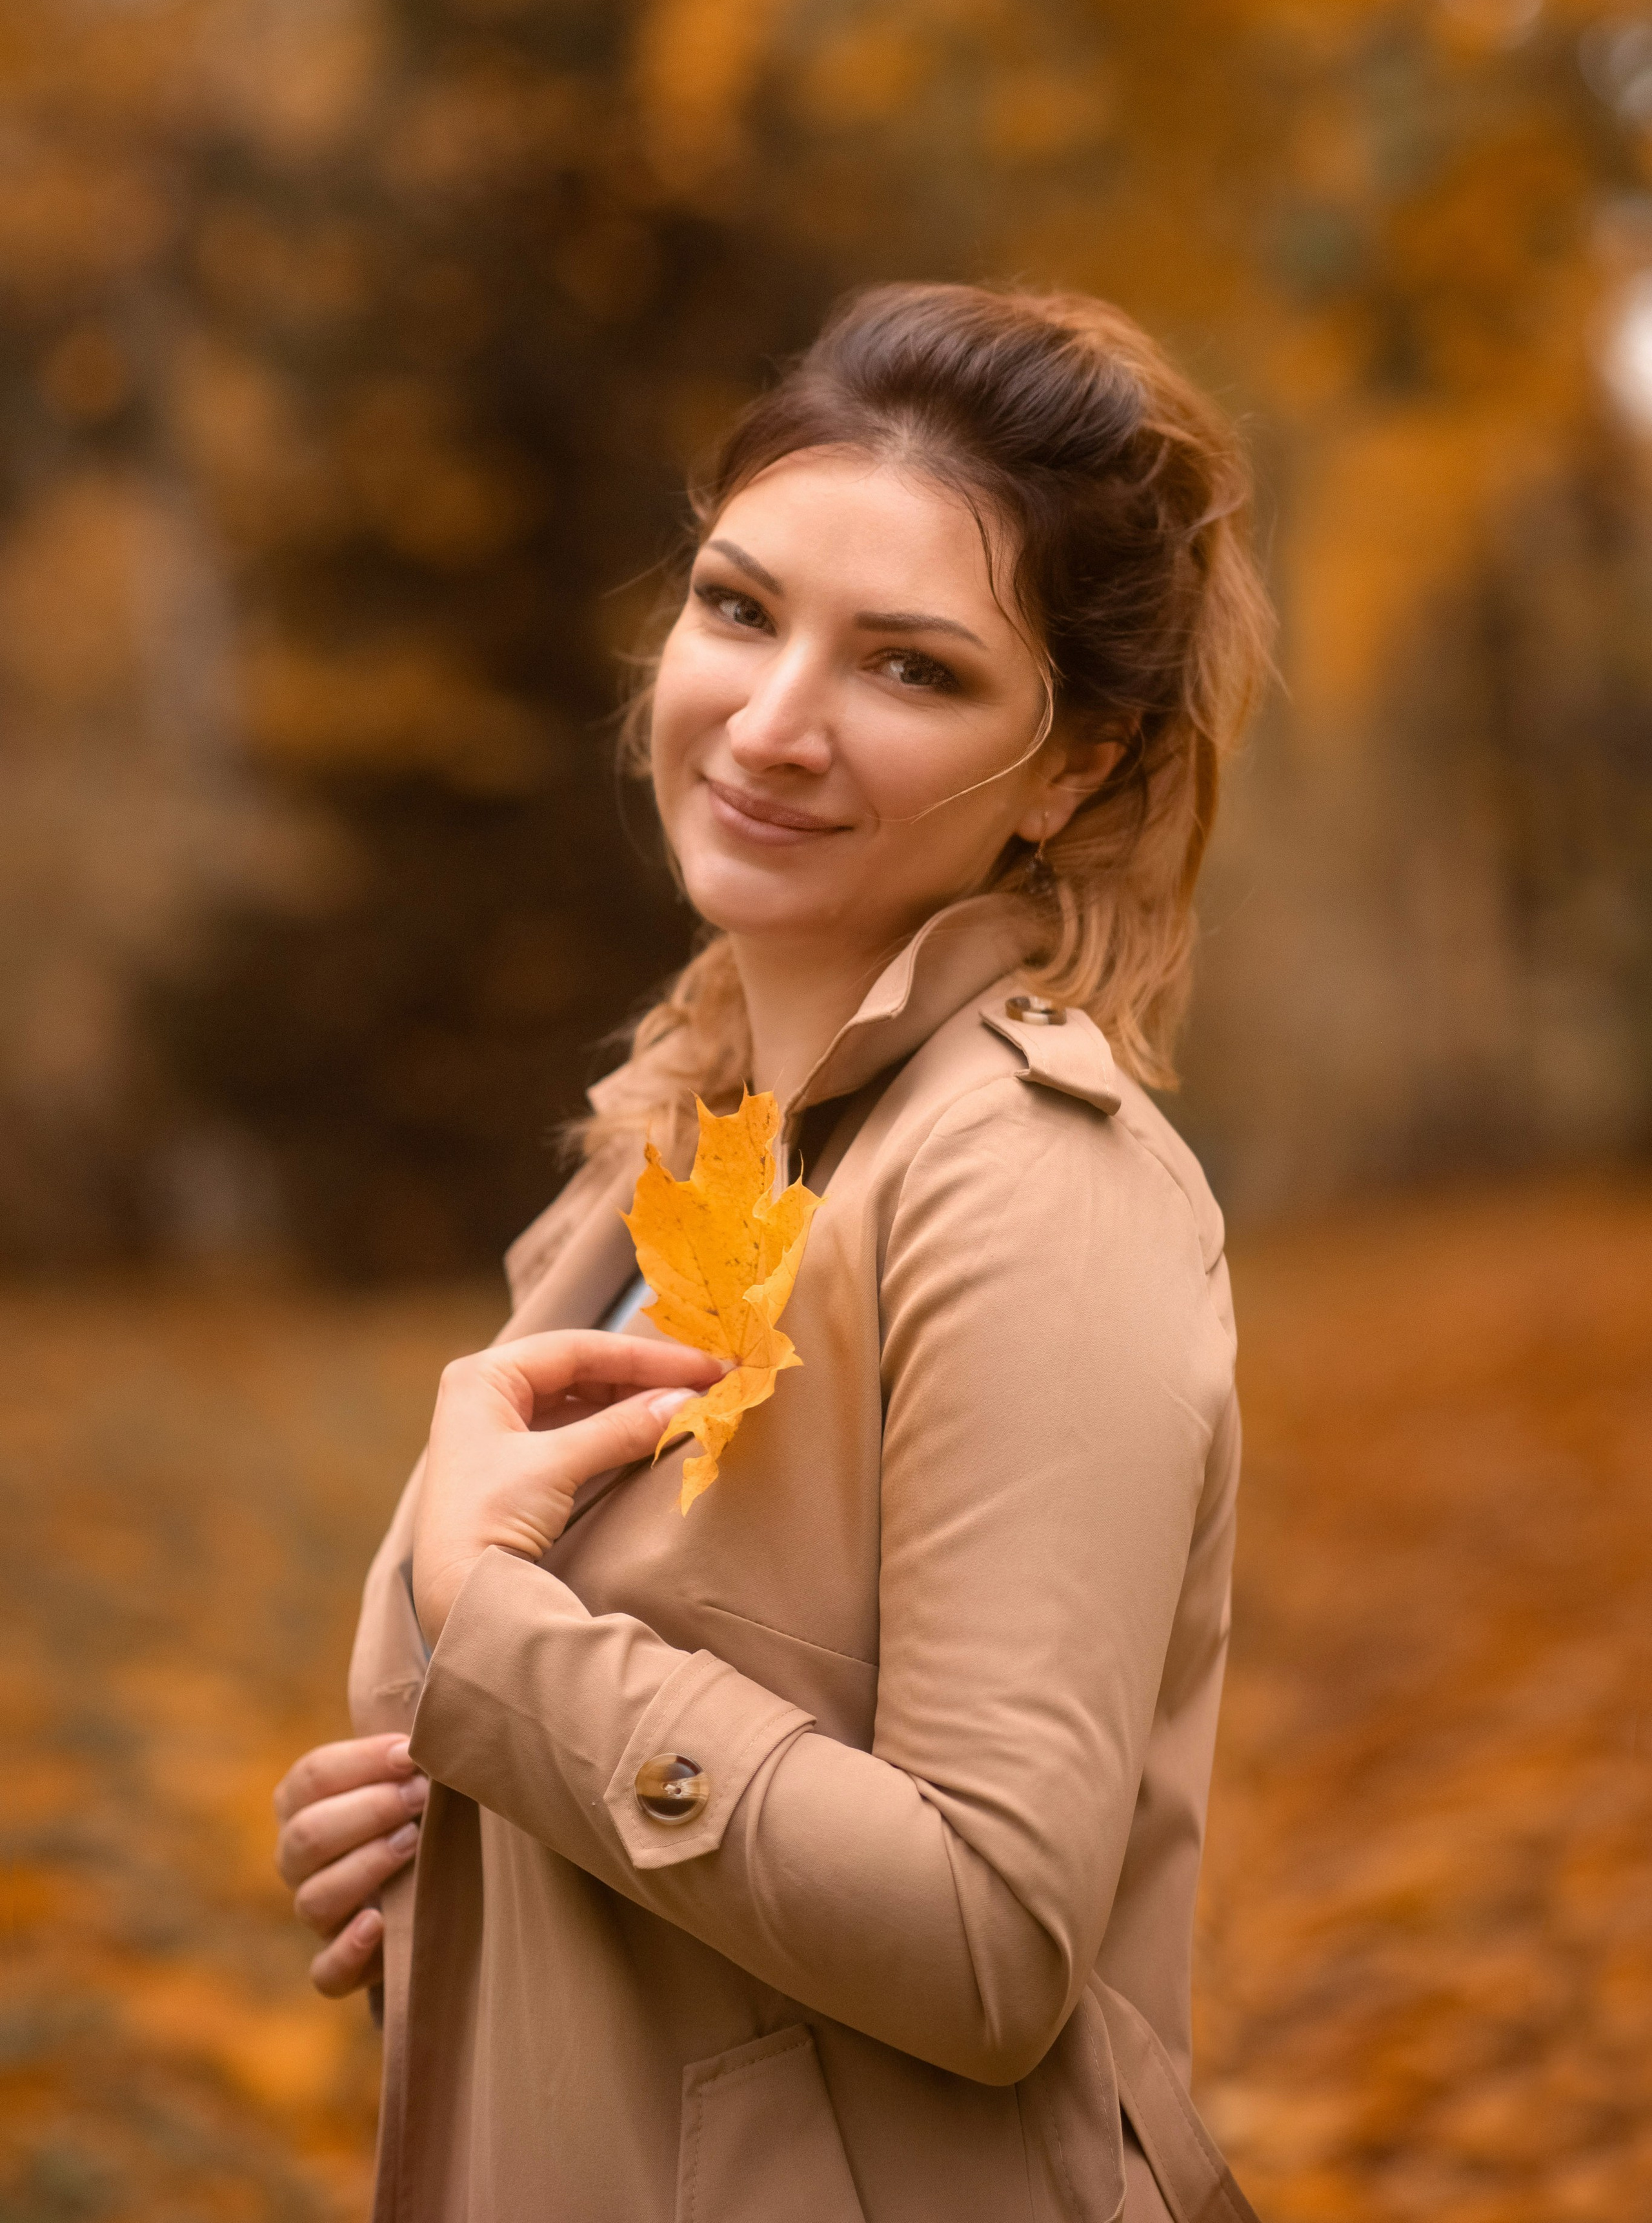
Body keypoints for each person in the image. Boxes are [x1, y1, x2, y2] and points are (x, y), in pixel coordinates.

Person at [273, 283, 1274, 2222]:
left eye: (910, 669)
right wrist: (434, 1849)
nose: (771, 722)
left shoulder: (1029, 1185)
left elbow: (988, 1941)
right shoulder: (657, 1166)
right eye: (739, 609)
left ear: (1073, 768)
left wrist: (500, 1650)